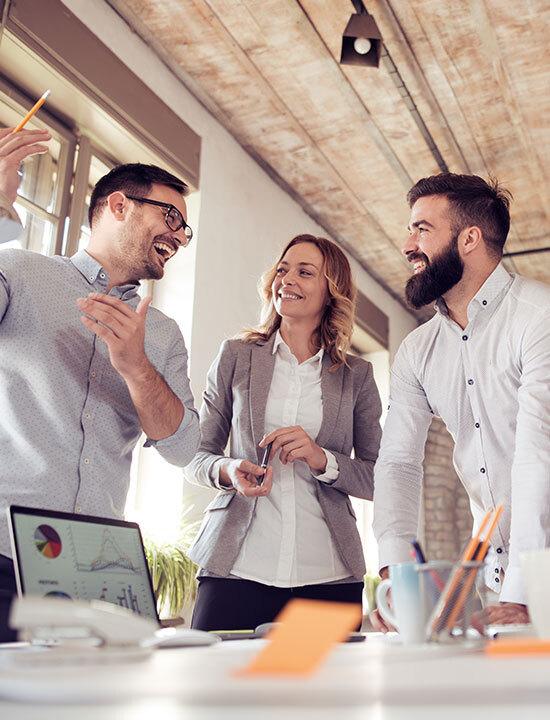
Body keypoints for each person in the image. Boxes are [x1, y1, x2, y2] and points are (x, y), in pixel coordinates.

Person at [0, 134, 200, 641]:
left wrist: (137, 368)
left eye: (185, 229)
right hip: (5, 551)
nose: (178, 237)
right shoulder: (21, 273)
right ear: (118, 205)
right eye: (171, 218)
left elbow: (182, 447)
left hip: (98, 569)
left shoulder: (162, 333)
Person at [372, 173, 550, 629]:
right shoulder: (417, 351)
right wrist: (396, 573)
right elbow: (398, 462)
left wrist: (527, 590)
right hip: (493, 579)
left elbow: (536, 454)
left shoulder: (539, 317)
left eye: (422, 229)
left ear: (469, 238)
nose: (408, 244)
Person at [185, 234, 382, 631]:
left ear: (331, 292)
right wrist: (229, 469)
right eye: (282, 269)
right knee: (215, 690)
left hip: (327, 575)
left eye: (305, 272)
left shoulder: (356, 376)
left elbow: (379, 477)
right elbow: (194, 454)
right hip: (235, 570)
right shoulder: (235, 356)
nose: (286, 279)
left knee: (319, 693)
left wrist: (320, 458)